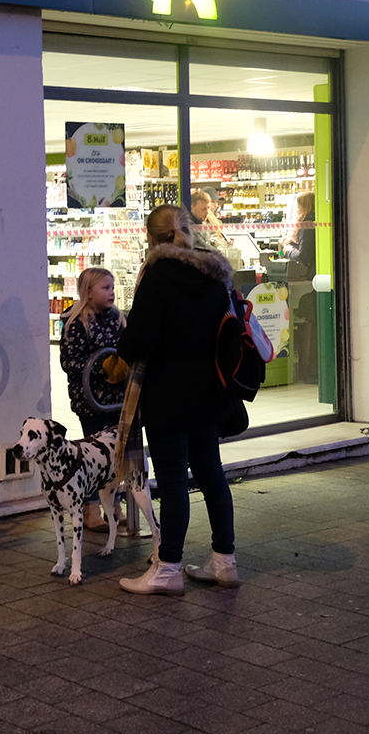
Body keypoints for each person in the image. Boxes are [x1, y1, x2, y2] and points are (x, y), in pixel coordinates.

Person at [115, 204, 239, 594]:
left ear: (150, 237)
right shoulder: (214, 274)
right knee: (211, 474)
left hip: (168, 393)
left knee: (172, 483)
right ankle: (225, 562)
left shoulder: (157, 276)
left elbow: (139, 340)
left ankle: (167, 569)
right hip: (209, 391)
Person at [58, 266, 126, 530]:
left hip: (116, 397)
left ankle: (115, 503)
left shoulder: (118, 318)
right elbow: (70, 362)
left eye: (112, 287)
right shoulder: (77, 322)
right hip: (90, 399)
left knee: (116, 453)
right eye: (105, 288)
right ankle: (90, 508)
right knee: (94, 454)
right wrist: (102, 367)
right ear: (88, 292)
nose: (111, 292)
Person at [281, 191, 317, 382]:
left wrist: (287, 250)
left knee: (306, 318)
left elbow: (304, 257)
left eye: (299, 205)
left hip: (311, 281)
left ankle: (308, 369)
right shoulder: (316, 220)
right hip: (317, 278)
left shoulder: (307, 223)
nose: (297, 209)